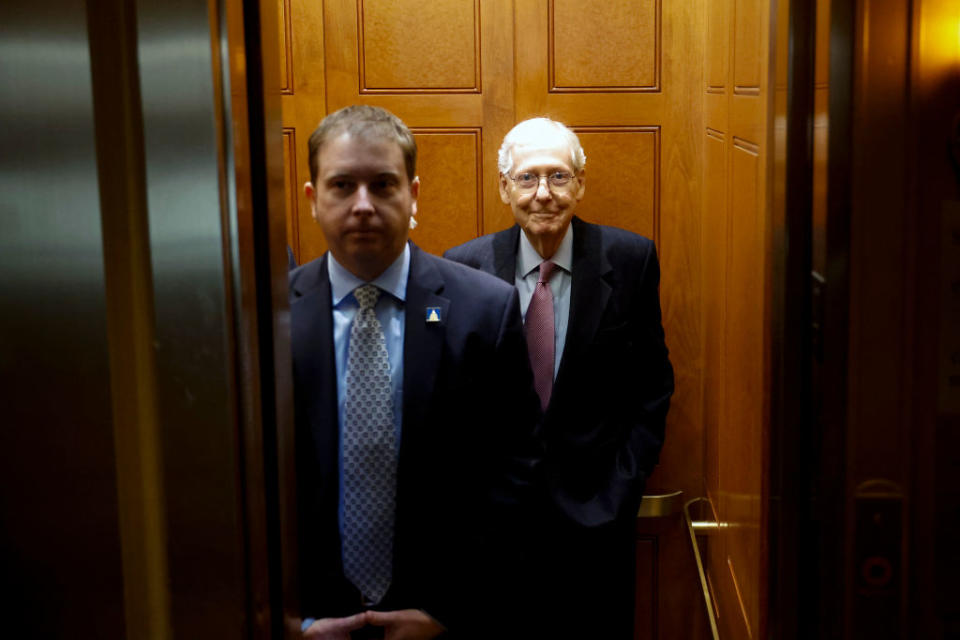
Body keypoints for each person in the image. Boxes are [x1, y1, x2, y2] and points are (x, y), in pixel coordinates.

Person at [290, 105, 541, 640]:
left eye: (383, 184)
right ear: (313, 199)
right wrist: (291, 623)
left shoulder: (486, 310)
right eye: (342, 185)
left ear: (414, 194)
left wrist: (450, 613)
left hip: (442, 620)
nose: (363, 205)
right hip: (308, 621)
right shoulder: (266, 317)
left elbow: (515, 476)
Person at [444, 117, 674, 638]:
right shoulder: (464, 267)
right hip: (496, 532)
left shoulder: (631, 259)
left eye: (558, 176)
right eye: (527, 178)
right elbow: (454, 399)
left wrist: (622, 489)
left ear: (580, 183)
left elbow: (652, 386)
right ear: (505, 188)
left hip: (598, 526)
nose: (543, 194)